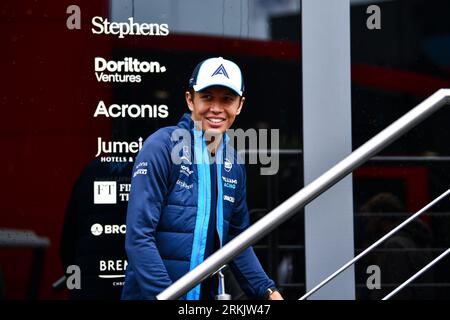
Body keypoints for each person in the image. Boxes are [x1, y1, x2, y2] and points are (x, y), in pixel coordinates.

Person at [121, 57, 282, 300]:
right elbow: (138, 237)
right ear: (190, 99)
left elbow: (237, 242)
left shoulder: (233, 164)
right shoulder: (162, 147)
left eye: (227, 99)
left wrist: (268, 292)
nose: (216, 108)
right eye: (207, 97)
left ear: (239, 105)